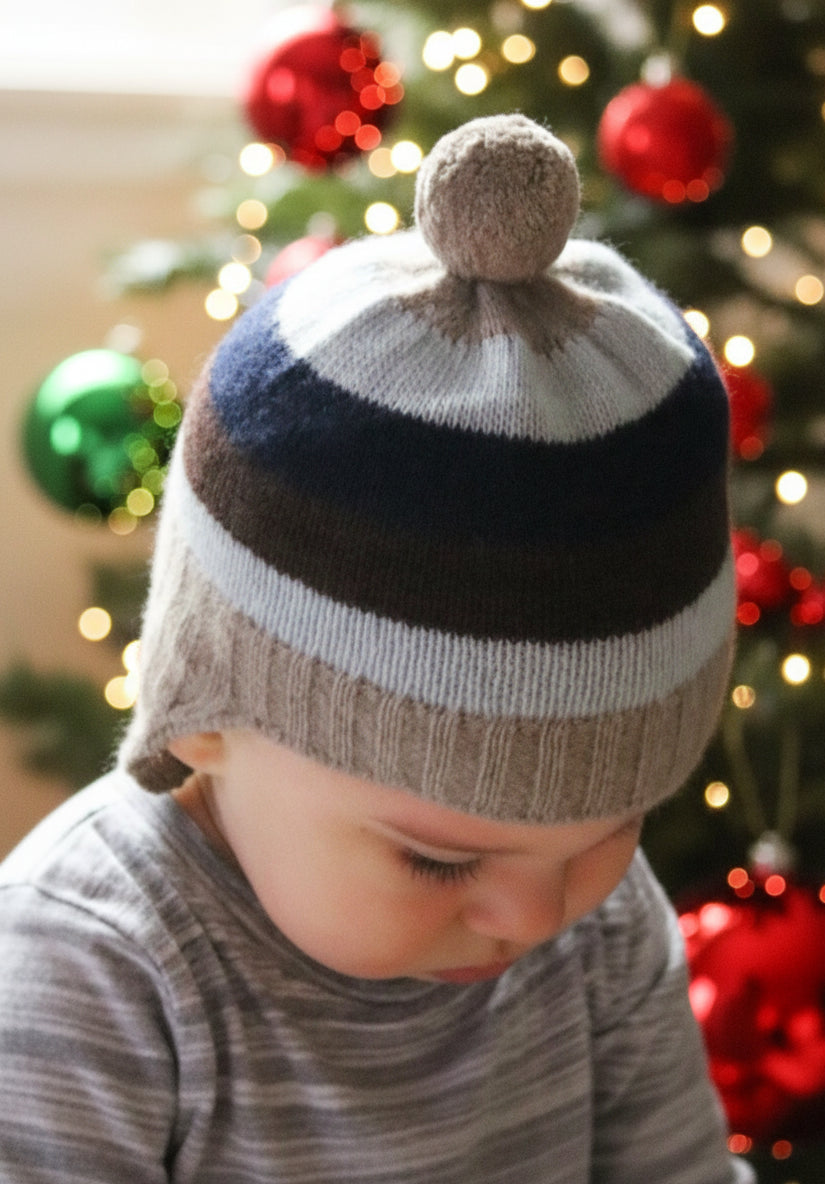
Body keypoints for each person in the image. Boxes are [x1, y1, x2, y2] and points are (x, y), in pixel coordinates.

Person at [0, 114, 754, 1183]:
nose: (533, 917)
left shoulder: (602, 925)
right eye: (438, 856)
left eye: (612, 827)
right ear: (203, 707)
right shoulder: (88, 965)